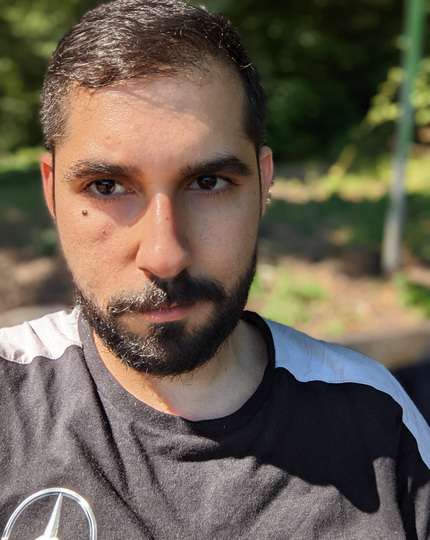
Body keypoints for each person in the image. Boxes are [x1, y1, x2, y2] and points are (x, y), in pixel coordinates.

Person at [0, 1, 429, 538]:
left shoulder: (378, 421)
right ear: (51, 191)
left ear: (264, 183)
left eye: (208, 183)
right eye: (106, 187)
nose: (165, 254)